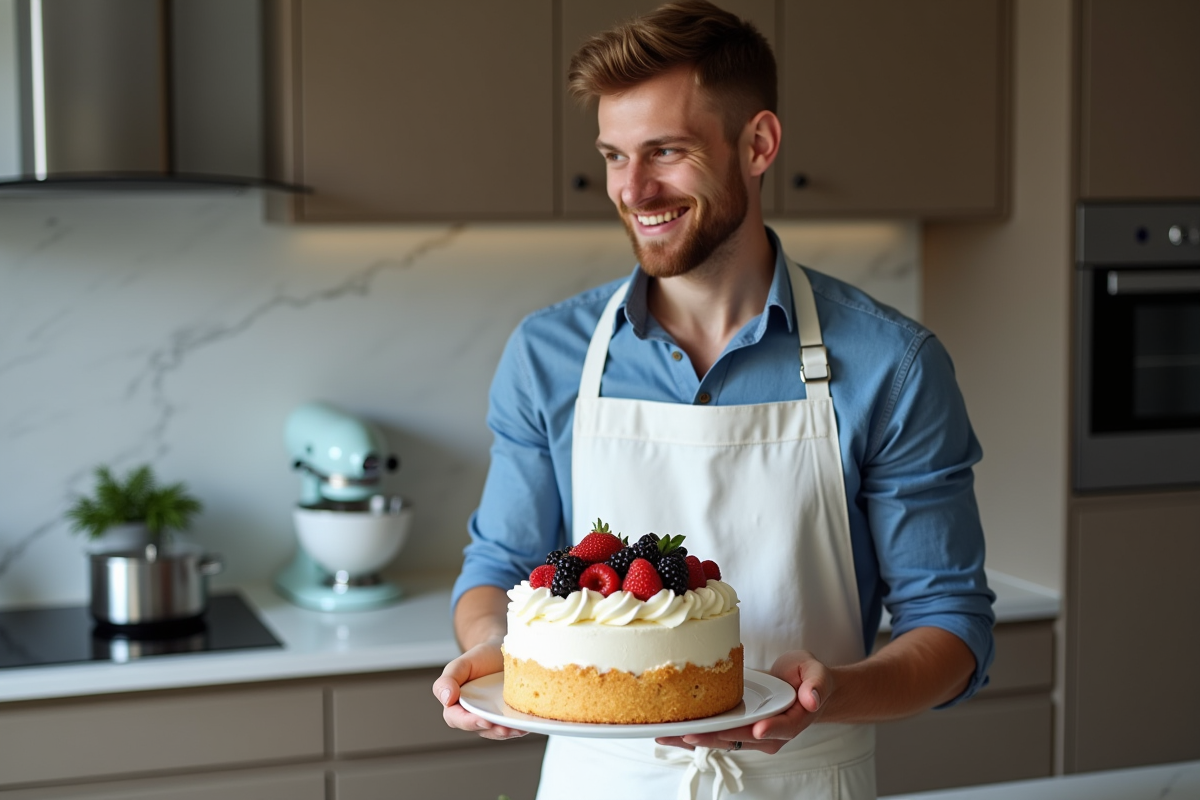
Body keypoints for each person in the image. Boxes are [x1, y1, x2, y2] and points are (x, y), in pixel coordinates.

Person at [433, 2, 995, 798]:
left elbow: (952, 626)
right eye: (614, 156)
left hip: (804, 778)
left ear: (759, 144)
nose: (634, 189)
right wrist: (500, 651)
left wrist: (833, 692)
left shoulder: (890, 365)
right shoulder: (550, 356)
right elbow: (496, 567)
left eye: (666, 151)